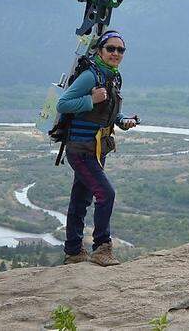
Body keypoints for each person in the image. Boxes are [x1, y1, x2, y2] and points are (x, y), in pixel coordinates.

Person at [56, 30, 137, 266]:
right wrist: (91, 100)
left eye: (120, 50)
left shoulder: (112, 76)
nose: (115, 53)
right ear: (100, 50)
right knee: (106, 193)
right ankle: (102, 248)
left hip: (97, 149)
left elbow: (108, 111)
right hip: (81, 149)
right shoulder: (91, 76)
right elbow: (63, 103)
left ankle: (73, 251)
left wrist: (122, 121)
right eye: (110, 48)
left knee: (80, 199)